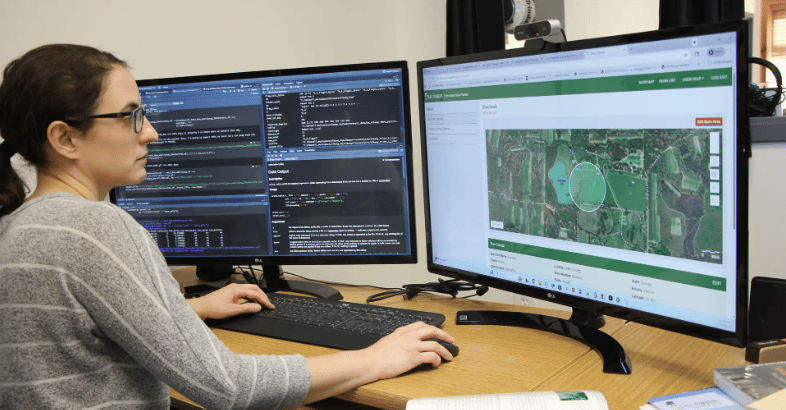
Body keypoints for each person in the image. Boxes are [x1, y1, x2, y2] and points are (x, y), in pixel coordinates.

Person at [0, 44, 455, 410]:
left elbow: (66, 335)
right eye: (131, 115)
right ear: (64, 138)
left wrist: (183, 313)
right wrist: (376, 357)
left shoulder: (19, 224)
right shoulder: (94, 228)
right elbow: (229, 388)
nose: (151, 132)